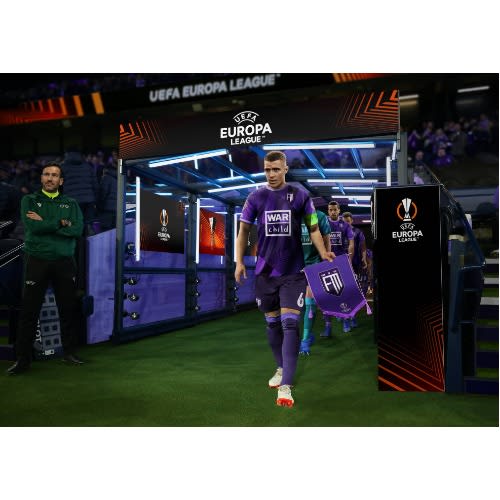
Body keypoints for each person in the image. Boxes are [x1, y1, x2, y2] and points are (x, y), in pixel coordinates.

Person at [235, 151, 333, 407]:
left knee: (290, 324)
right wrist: (238, 262)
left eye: (276, 169)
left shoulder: (301, 196)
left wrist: (324, 252)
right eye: (267, 170)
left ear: (285, 169)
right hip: (265, 274)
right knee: (272, 324)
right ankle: (280, 368)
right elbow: (243, 231)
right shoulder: (255, 197)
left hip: (293, 272)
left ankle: (286, 386)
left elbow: (314, 228)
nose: (271, 174)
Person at [6, 162, 85, 375]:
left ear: (61, 181)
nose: (50, 178)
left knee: (68, 309)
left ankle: (70, 352)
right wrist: (61, 223)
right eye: (46, 174)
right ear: (41, 178)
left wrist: (47, 223)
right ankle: (22, 360)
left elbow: (77, 230)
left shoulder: (71, 203)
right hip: (37, 260)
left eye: (55, 175)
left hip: (64, 262)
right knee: (29, 311)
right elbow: (33, 227)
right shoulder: (29, 200)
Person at [299, 208, 331, 355]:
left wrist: (326, 262)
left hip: (314, 263)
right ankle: (309, 333)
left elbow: (326, 238)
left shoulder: (317, 216)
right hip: (296, 264)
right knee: (298, 305)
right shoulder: (291, 216)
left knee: (310, 301)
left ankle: (305, 340)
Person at [322, 200, 354, 335]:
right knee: (326, 294)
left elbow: (351, 243)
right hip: (326, 263)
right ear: (328, 211)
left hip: (341, 262)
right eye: (330, 210)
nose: (333, 212)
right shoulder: (323, 223)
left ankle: (346, 319)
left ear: (339, 210)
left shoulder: (345, 225)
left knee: (343, 292)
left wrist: (349, 260)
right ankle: (328, 326)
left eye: (335, 209)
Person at [341, 212, 367, 329]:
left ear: (352, 220)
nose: (346, 223)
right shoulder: (338, 232)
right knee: (343, 291)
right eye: (344, 221)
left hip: (354, 265)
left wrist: (364, 258)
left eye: (348, 221)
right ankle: (346, 319)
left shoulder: (358, 232)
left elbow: (363, 247)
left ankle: (353, 316)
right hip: (341, 265)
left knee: (353, 291)